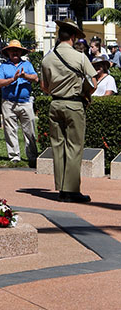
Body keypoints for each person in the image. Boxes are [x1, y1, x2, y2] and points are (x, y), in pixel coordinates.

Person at [41, 19, 97, 204]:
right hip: (74, 105)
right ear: (73, 37)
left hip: (55, 104)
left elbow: (44, 87)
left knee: (58, 147)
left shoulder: (47, 58)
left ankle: (62, 189)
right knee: (74, 146)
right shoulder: (80, 57)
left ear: (59, 36)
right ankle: (71, 190)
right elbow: (94, 83)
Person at [0, 39, 38, 166]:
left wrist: (25, 76)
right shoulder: (3, 66)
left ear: (21, 52)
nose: (15, 52)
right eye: (12, 50)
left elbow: (35, 78)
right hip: (8, 103)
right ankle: (14, 156)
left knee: (29, 130)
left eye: (17, 50)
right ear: (8, 52)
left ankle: (32, 156)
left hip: (25, 102)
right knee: (10, 130)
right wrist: (13, 79)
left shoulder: (28, 65)